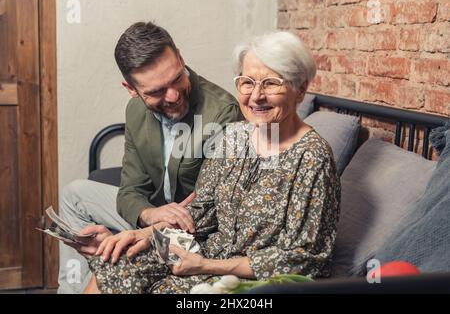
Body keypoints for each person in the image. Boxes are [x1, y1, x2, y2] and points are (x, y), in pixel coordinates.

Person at [84, 31, 341, 294]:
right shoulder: (234, 136)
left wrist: (207, 265)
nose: (256, 96)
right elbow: (200, 211)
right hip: (201, 257)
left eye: (271, 83)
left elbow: (305, 259)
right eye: (247, 82)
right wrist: (142, 235)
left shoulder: (312, 157)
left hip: (252, 282)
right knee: (115, 265)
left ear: (300, 89)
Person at [57, 22, 243, 294]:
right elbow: (131, 190)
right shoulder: (135, 110)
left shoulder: (223, 114)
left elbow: (211, 209)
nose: (174, 95)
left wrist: (141, 235)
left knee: (114, 263)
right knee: (74, 194)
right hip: (156, 215)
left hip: (192, 229)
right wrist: (147, 214)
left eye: (177, 78)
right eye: (156, 91)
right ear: (131, 89)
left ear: (180, 57)